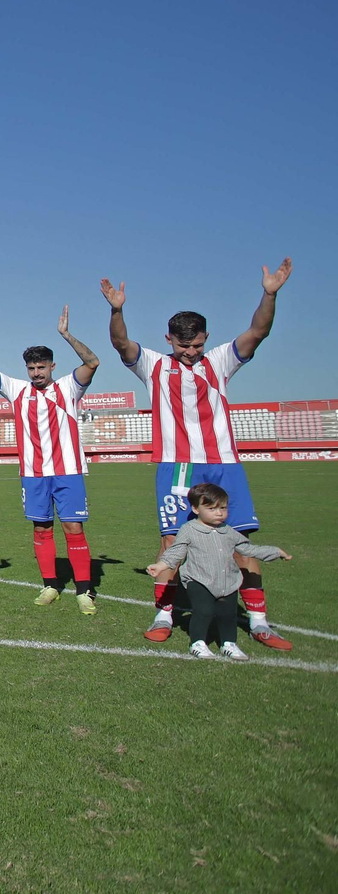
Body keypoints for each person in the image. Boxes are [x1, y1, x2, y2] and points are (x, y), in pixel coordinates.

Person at [102, 258, 295, 649]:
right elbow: (121, 343)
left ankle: (258, 622)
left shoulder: (220, 359)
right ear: (170, 340)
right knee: (172, 543)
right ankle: (163, 616)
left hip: (224, 464)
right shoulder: (154, 365)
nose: (192, 352)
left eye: (198, 344)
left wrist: (269, 294)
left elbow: (258, 331)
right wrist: (117, 310)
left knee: (239, 542)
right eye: (185, 345)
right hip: (178, 466)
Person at [0, 305, 101, 614]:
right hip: (33, 474)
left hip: (68, 471)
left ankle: (85, 590)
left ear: (52, 366)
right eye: (31, 368)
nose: (36, 373)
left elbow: (92, 361)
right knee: (41, 529)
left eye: (41, 368)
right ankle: (50, 585)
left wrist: (66, 334)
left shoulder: (68, 387)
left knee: (73, 528)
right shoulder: (18, 390)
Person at [148, 483, 291, 660]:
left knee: (228, 614)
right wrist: (162, 565)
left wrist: (275, 552)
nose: (219, 513)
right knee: (204, 611)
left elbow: (247, 550)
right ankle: (197, 643)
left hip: (227, 581)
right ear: (195, 508)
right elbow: (177, 551)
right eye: (212, 508)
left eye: (223, 508)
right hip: (198, 579)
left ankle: (229, 644)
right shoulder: (189, 529)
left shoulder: (228, 531)